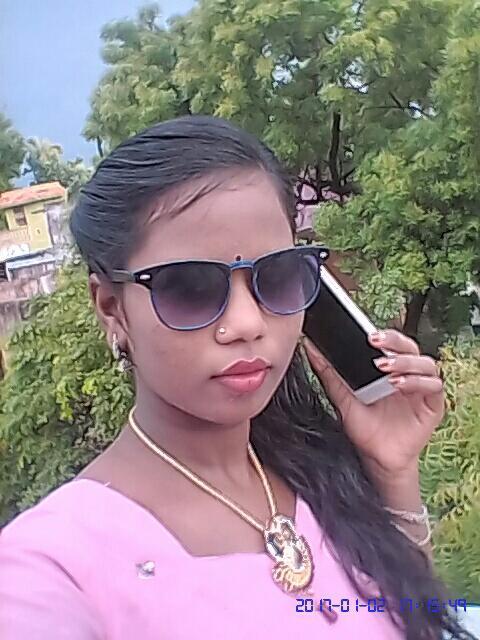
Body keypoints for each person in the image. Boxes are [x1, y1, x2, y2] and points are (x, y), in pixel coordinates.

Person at [0, 116, 474, 640]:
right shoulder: (51, 568)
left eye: (277, 276)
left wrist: (393, 473)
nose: (248, 323)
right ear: (112, 308)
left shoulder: (317, 474)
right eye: (190, 288)